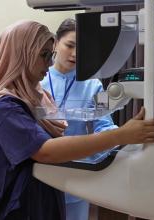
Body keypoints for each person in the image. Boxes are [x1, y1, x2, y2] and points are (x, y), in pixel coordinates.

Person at [0, 20, 154, 220]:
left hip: (60, 183)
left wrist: (125, 140)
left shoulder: (40, 92)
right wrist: (121, 135)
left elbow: (103, 123)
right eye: (44, 55)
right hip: (17, 205)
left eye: (48, 55)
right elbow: (45, 151)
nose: (49, 62)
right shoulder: (6, 106)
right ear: (21, 54)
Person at [41, 18, 118, 220]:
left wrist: (120, 139)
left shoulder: (95, 85)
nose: (75, 54)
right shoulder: (36, 80)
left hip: (77, 172)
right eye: (70, 45)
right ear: (55, 43)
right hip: (40, 170)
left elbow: (105, 124)